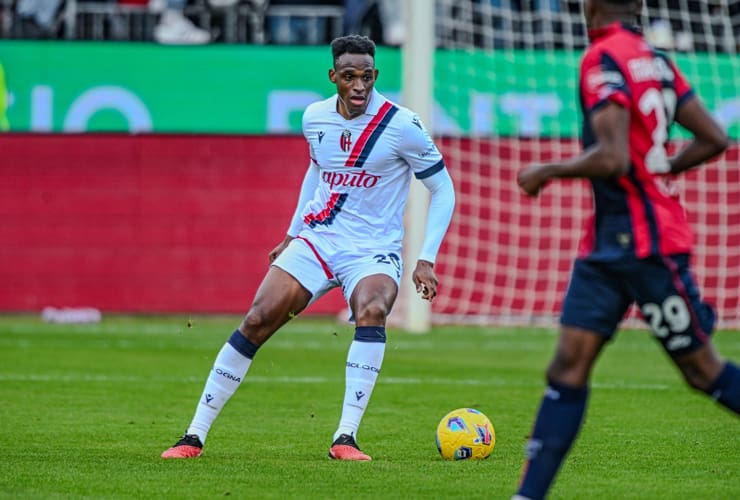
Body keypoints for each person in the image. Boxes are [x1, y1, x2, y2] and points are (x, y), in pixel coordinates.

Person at [161, 34, 456, 461]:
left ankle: (345, 438)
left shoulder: (402, 126)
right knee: (257, 318)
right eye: (350, 77)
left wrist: (425, 258)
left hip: (372, 249)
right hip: (318, 240)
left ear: (376, 76)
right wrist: (292, 231)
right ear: (333, 76)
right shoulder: (315, 117)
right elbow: (316, 171)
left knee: (373, 309)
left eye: (368, 77)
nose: (359, 86)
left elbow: (442, 188)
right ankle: (193, 436)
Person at [512, 0, 738, 498]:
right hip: (609, 246)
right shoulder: (653, 59)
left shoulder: (603, 56)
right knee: (567, 366)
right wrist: (660, 172)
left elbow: (612, 158)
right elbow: (715, 137)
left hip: (648, 246)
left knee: (704, 372)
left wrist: (547, 171)